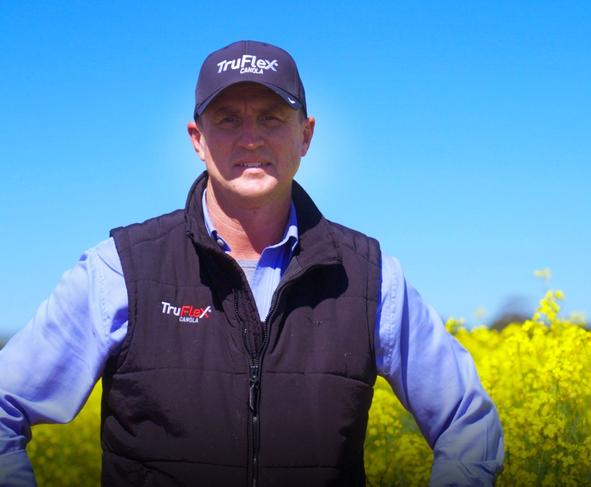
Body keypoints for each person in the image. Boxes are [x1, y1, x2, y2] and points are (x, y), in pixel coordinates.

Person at [0, 40, 504, 486]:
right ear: (197, 139)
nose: (251, 139)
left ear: (305, 135)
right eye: (228, 119)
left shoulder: (370, 276)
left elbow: (468, 422)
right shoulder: (121, 269)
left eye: (271, 117)